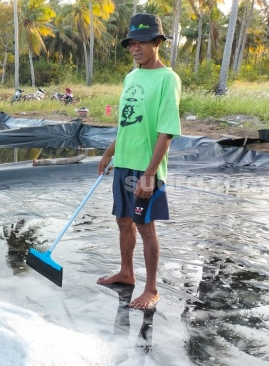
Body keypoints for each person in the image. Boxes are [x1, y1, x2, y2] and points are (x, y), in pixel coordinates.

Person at [96, 13, 181, 311]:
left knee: (145, 227)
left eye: (142, 42)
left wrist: (150, 174)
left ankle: (152, 289)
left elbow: (166, 131)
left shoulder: (167, 79)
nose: (135, 48)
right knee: (123, 221)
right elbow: (127, 124)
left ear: (157, 42)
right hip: (124, 163)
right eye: (132, 42)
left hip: (146, 168)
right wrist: (109, 152)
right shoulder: (131, 77)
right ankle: (126, 272)